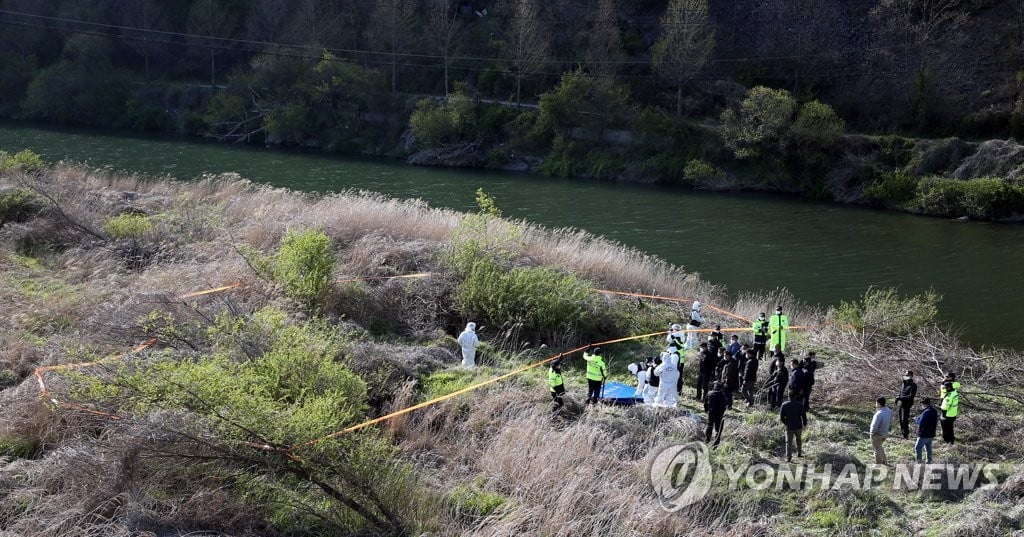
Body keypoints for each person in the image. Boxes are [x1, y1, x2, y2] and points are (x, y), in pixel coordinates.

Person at [779, 392, 807, 462]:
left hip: (789, 426)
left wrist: (786, 423)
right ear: (795, 397)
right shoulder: (800, 404)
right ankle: (799, 453)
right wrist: (805, 423)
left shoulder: (784, 405)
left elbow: (781, 417)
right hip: (798, 425)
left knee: (788, 442)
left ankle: (788, 457)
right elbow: (803, 415)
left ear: (789, 396)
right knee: (799, 440)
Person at [870, 397, 893, 465]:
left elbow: (874, 425)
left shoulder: (879, 414)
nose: (875, 404)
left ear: (879, 404)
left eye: (876, 403)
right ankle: (884, 461)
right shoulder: (888, 410)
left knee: (877, 449)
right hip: (885, 433)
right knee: (880, 447)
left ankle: (878, 464)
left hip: (877, 434)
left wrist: (872, 433)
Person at [896, 370, 918, 439]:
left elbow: (911, 396)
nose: (906, 376)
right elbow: (901, 392)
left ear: (911, 376)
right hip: (901, 403)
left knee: (904, 420)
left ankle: (906, 435)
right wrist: (898, 398)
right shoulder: (904, 383)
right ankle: (903, 433)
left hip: (907, 404)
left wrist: (900, 398)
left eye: (907, 375)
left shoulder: (913, 385)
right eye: (905, 375)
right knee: (900, 419)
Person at [704, 382, 728, 446]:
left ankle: (707, 440)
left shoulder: (709, 393)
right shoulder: (722, 395)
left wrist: (706, 410)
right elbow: (724, 405)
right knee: (718, 429)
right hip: (719, 414)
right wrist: (722, 413)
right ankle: (716, 443)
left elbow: (705, 403)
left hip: (711, 412)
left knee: (709, 426)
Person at [915, 398, 939, 463]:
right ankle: (929, 461)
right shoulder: (934, 411)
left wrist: (916, 420)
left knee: (918, 448)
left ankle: (919, 462)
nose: (922, 405)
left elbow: (921, 422)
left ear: (924, 404)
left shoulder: (926, 412)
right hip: (931, 433)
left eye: (922, 404)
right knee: (928, 448)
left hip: (924, 433)